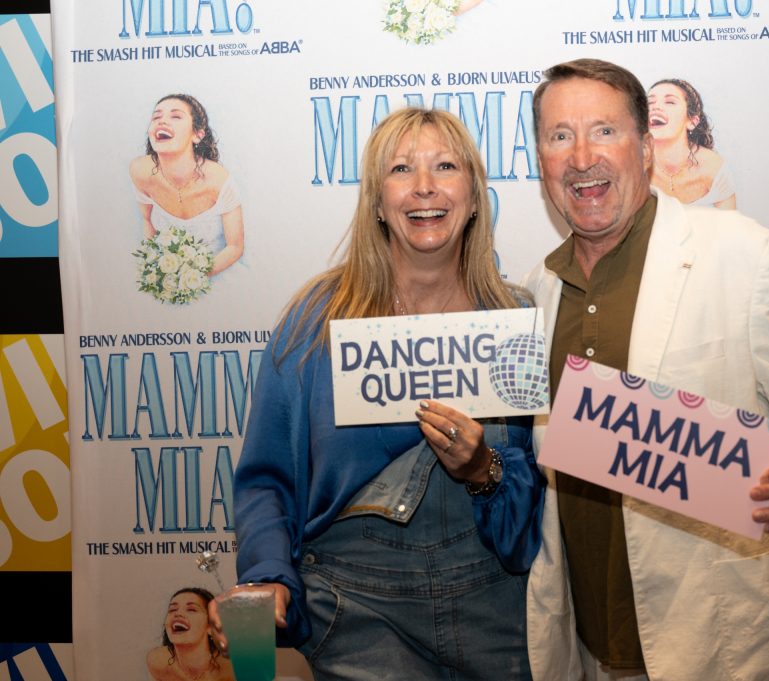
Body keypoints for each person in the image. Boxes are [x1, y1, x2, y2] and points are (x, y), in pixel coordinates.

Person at [523, 58, 769, 681]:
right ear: (541, 159)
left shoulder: (746, 256)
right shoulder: (534, 293)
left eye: (604, 131)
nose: (582, 156)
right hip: (590, 650)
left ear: (646, 147)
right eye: (559, 136)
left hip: (735, 647)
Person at [211, 108, 544, 680]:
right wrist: (267, 575)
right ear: (376, 201)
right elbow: (268, 481)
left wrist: (483, 468)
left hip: (499, 615)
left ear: (473, 193)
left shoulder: (517, 321)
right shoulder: (316, 322)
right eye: (400, 169)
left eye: (445, 166)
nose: (424, 188)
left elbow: (543, 508)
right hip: (358, 619)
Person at [129, 93, 244, 278]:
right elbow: (147, 221)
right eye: (156, 117)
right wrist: (156, 270)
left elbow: (235, 247)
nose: (162, 122)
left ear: (197, 135)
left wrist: (190, 278)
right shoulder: (140, 170)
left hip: (218, 275)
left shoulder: (218, 179)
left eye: (175, 116)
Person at [647, 79, 736, 209]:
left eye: (670, 102)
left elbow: (731, 225)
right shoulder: (634, 166)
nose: (655, 107)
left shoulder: (713, 168)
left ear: (692, 122)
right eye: (649, 102)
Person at [147, 587, 235, 681]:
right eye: (172, 610)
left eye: (191, 609)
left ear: (211, 626)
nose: (178, 614)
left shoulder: (230, 668)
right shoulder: (158, 663)